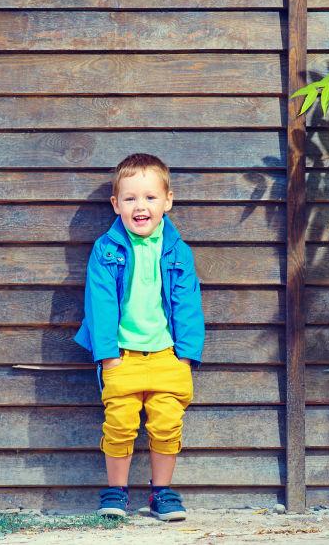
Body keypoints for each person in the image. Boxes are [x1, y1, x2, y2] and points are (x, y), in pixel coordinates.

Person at [73, 153, 205, 521]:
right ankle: (116, 491)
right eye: (130, 198)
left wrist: (186, 356)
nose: (140, 206)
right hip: (123, 356)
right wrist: (108, 355)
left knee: (167, 424)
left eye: (149, 197)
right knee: (119, 424)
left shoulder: (177, 250)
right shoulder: (107, 249)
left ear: (168, 201)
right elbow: (99, 303)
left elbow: (188, 303)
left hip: (167, 356)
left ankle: (161, 493)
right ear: (116, 205)